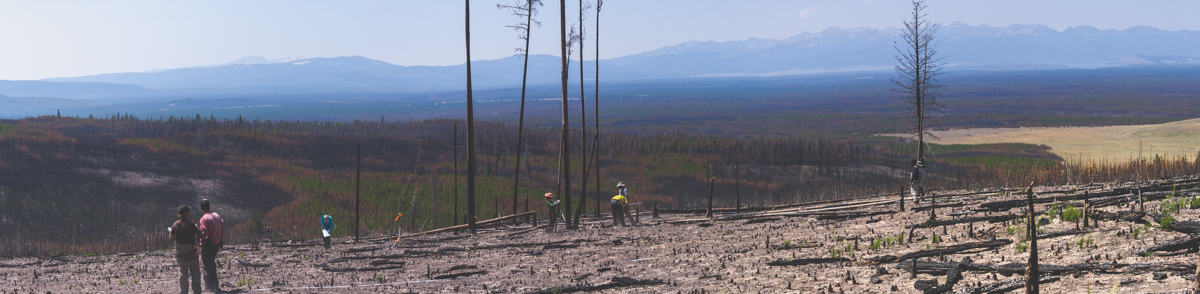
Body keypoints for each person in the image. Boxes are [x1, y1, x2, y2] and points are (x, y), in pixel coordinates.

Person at [170, 205, 202, 294]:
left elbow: (171, 238)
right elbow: (196, 236)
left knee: (183, 273)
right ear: (186, 213)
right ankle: (197, 291)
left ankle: (184, 291)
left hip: (180, 249)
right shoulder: (191, 223)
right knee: (195, 271)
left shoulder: (176, 224)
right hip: (191, 248)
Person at [197, 199, 224, 293]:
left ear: (201, 208)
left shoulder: (204, 219)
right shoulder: (216, 215)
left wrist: (197, 236)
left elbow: (204, 233)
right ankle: (215, 286)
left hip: (207, 244)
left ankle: (210, 288)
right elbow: (221, 228)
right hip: (216, 243)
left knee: (207, 266)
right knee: (211, 264)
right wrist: (221, 240)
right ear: (209, 206)